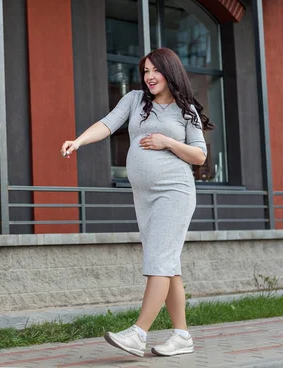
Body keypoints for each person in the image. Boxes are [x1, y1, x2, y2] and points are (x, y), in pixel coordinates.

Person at [60, 48, 213, 358]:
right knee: (168, 266)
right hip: (144, 197)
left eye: (155, 70)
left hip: (175, 192)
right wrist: (78, 141)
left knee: (158, 260)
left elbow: (199, 155)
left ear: (170, 73)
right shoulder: (134, 101)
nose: (149, 76)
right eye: (145, 71)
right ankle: (181, 336)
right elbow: (107, 124)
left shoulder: (186, 111)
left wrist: (166, 141)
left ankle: (138, 333)